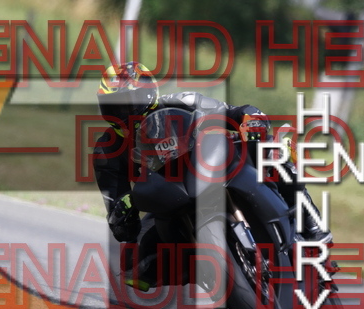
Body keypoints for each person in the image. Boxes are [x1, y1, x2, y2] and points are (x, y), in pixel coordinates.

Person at [93, 62, 334, 289]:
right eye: (111, 108)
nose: (119, 114)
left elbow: (234, 112)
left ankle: (315, 231)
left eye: (125, 104)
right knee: (132, 265)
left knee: (274, 149)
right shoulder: (107, 149)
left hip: (216, 163)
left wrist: (250, 120)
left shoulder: (183, 101)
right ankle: (215, 274)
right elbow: (119, 221)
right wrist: (123, 211)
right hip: (170, 198)